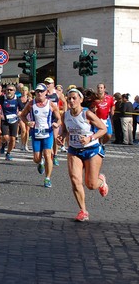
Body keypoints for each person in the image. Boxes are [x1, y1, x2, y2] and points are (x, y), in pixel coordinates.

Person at [58, 88, 108, 222]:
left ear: (80, 100)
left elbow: (103, 129)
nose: (71, 101)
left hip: (91, 149)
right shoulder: (65, 115)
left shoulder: (87, 114)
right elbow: (64, 130)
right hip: (74, 150)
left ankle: (101, 181)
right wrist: (61, 137)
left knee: (91, 184)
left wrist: (90, 138)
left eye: (74, 98)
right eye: (69, 98)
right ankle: (83, 211)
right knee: (75, 180)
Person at [19, 83, 61, 188]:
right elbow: (22, 115)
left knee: (48, 155)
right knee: (36, 158)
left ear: (46, 92)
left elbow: (59, 118)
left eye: (41, 91)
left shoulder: (51, 104)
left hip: (48, 132)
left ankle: (47, 178)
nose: (39, 93)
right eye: (37, 91)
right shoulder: (31, 104)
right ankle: (40, 162)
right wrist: (28, 122)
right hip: (36, 133)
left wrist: (56, 124)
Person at [44, 77, 66, 166]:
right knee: (45, 137)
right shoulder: (43, 93)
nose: (47, 85)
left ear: (53, 84)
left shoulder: (57, 93)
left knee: (55, 137)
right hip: (46, 118)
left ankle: (55, 155)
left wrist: (64, 112)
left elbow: (64, 102)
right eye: (46, 83)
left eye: (49, 83)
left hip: (55, 118)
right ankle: (49, 155)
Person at [0, 84, 22, 161]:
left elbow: (22, 108)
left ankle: (8, 153)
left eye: (11, 90)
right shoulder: (2, 98)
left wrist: (20, 113)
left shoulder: (17, 99)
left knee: (12, 139)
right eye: (7, 90)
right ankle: (3, 144)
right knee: (5, 137)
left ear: (14, 91)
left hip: (14, 120)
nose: (9, 91)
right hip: (4, 120)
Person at [17, 85, 31, 152]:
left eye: (25, 90)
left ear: (27, 91)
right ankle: (22, 144)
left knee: (27, 130)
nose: (24, 92)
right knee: (23, 130)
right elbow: (16, 107)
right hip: (21, 115)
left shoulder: (29, 99)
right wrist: (18, 112)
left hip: (28, 115)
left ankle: (26, 144)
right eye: (23, 90)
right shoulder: (18, 98)